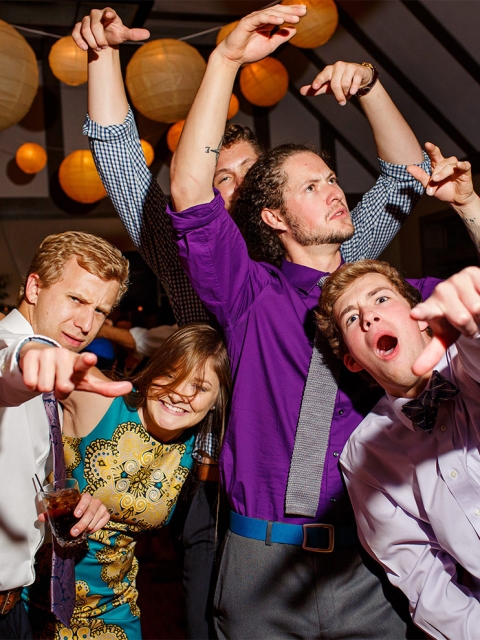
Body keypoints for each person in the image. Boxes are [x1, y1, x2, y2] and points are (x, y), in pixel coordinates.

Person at [166, 4, 440, 638]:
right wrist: (226, 59)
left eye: (332, 179)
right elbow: (190, 193)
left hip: (375, 559)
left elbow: (410, 178)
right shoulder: (250, 295)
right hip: (262, 564)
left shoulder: (390, 298)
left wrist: (371, 88)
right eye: (311, 187)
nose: (334, 190)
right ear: (274, 218)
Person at [72, 9, 263, 638]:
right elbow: (120, 159)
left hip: (297, 483)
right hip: (204, 480)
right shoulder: (184, 252)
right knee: (203, 619)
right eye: (219, 177)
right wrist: (103, 55)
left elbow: (394, 190)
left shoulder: (311, 258)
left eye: (249, 175)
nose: (235, 189)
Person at [315, 149, 480, 640]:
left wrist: (469, 206)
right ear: (353, 359)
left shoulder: (470, 364)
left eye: (382, 299)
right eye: (352, 318)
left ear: (419, 316)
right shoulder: (365, 454)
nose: (368, 316)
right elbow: (425, 583)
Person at [23, 322, 231, 640]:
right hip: (33, 600)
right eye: (170, 374)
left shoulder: (197, 450)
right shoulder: (104, 400)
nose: (180, 393)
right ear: (154, 370)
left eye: (200, 388)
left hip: (114, 610)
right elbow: (28, 351)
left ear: (216, 400)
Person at [0, 231, 131, 639]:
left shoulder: (53, 380)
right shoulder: (20, 354)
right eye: (76, 299)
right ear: (34, 288)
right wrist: (31, 356)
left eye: (100, 310)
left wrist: (74, 504)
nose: (86, 324)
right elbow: (11, 362)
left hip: (13, 607)